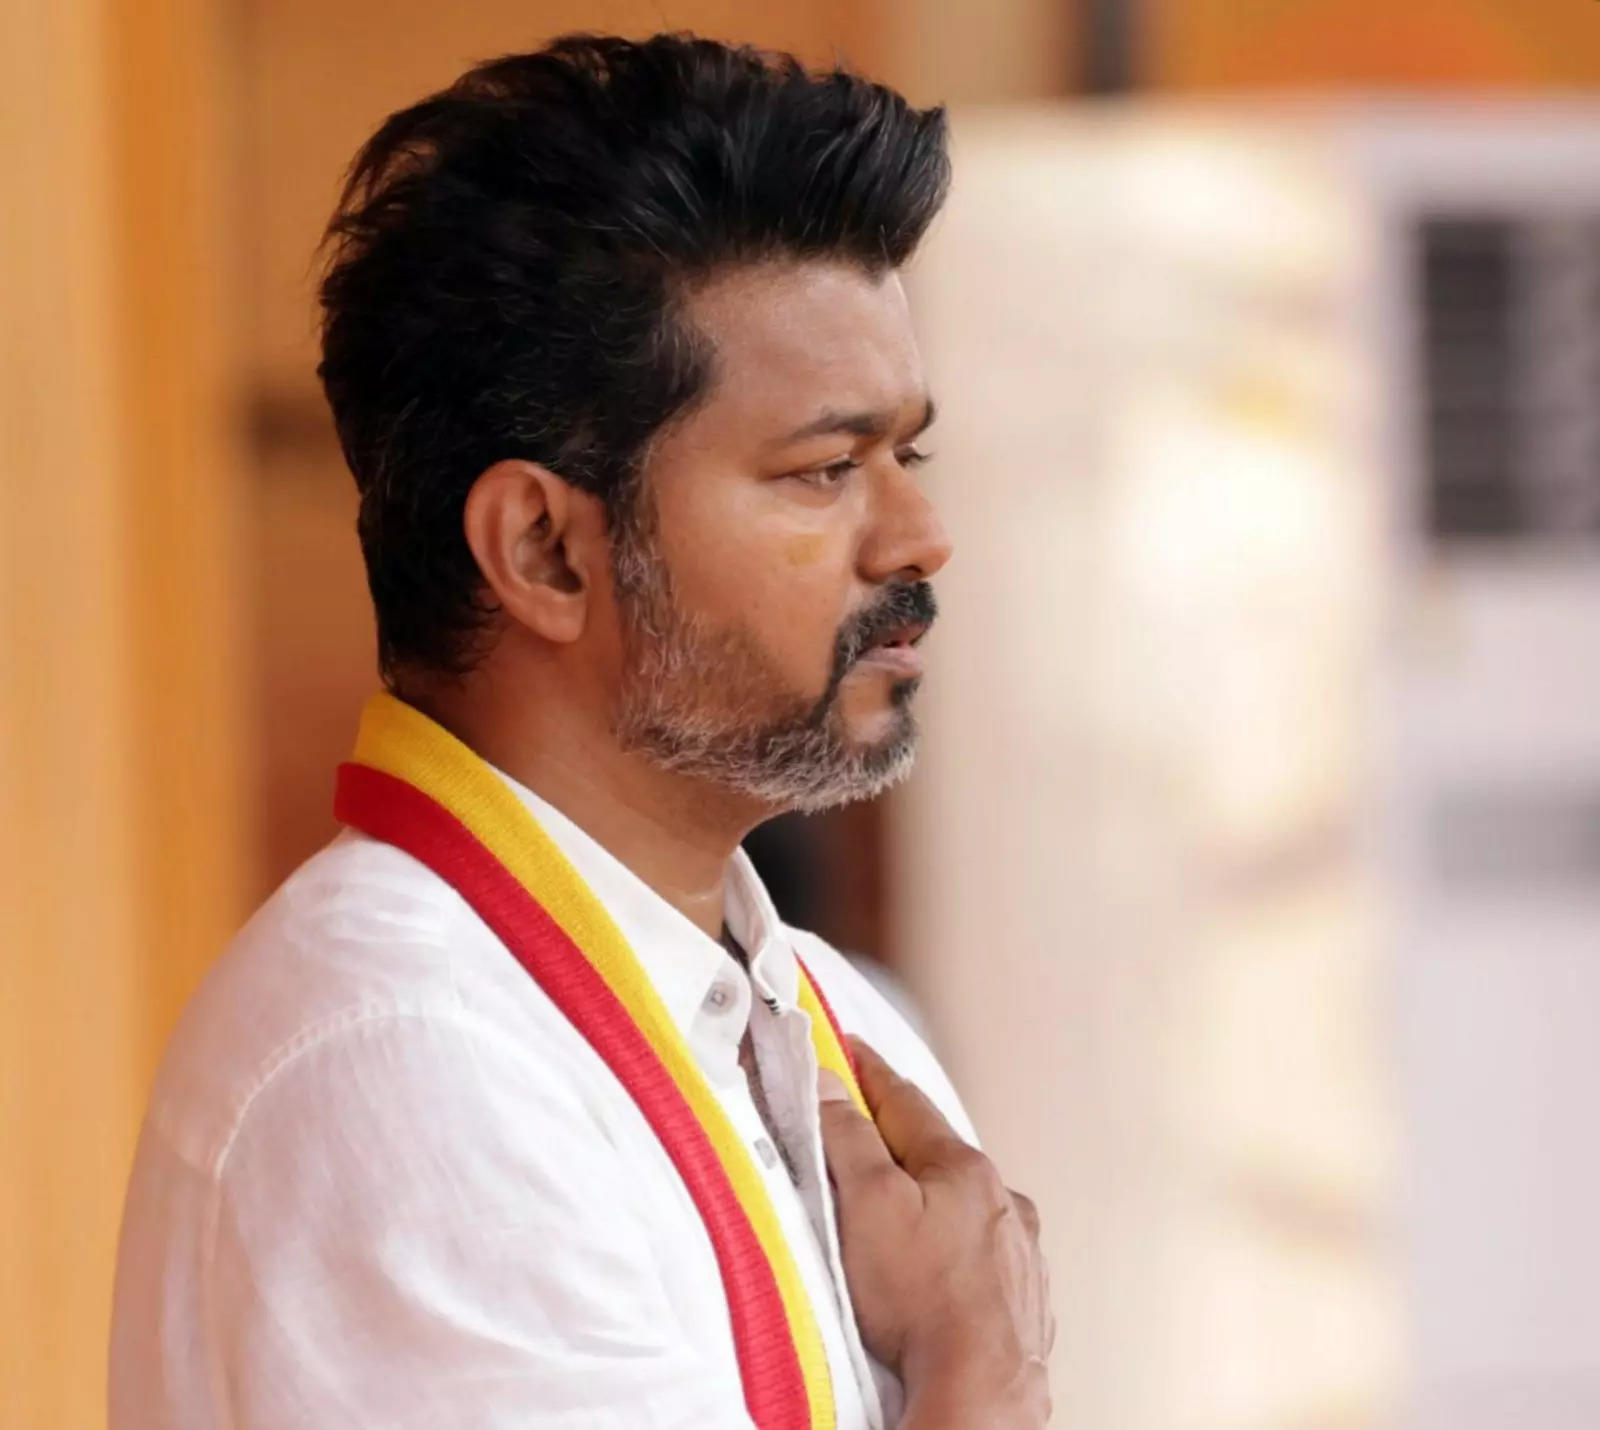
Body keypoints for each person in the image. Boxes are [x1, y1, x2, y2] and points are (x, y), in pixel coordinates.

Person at [110, 32, 1051, 1430]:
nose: (919, 535)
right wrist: (982, 1372)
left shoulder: (824, 1017)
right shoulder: (413, 1064)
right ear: (545, 550)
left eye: (904, 454)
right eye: (825, 469)